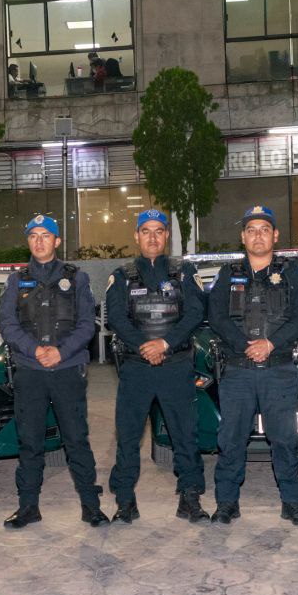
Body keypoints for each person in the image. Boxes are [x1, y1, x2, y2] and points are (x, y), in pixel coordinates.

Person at [0, 215, 108, 528]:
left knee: (76, 439)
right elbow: (7, 323)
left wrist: (61, 351)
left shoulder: (77, 278)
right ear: (28, 241)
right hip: (30, 371)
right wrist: (34, 350)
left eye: (46, 235)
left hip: (67, 369)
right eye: (34, 236)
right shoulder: (16, 280)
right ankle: (28, 507)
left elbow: (87, 324)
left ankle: (91, 506)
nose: (39, 241)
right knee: (30, 442)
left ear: (57, 241)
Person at [206, 206, 298, 525]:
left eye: (264, 230)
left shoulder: (292, 273)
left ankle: (292, 502)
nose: (258, 235)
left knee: (284, 440)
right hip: (238, 370)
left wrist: (271, 343)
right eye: (251, 230)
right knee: (231, 440)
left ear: (275, 236)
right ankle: (226, 502)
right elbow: (217, 317)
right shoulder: (228, 273)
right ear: (243, 237)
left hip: (279, 370)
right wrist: (246, 345)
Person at [104, 208, 208, 523]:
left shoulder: (184, 272)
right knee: (128, 436)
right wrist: (144, 346)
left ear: (167, 236)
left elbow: (195, 313)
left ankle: (190, 497)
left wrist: (164, 344)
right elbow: (116, 318)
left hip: (176, 366)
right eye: (146, 231)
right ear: (136, 236)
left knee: (185, 434)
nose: (152, 237)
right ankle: (125, 501)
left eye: (158, 231)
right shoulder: (121, 275)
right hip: (136, 368)